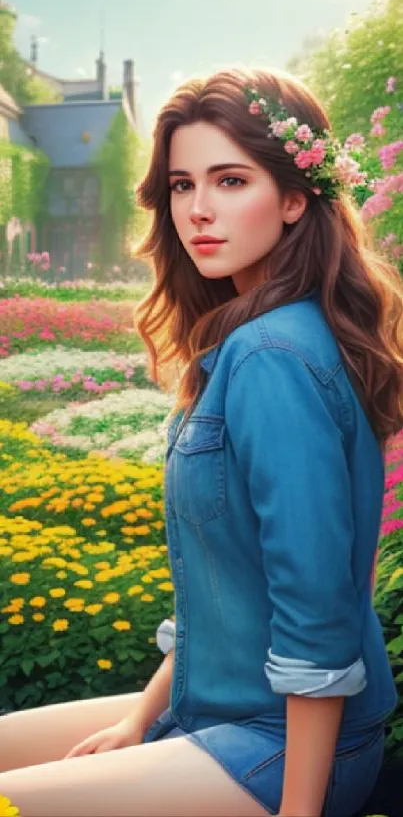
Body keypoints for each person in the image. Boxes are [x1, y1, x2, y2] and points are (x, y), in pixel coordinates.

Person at [1, 66, 403, 817]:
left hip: (284, 744)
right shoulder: (245, 341)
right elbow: (220, 591)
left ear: (292, 198)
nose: (198, 210)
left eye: (228, 180)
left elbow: (313, 613)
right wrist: (137, 721)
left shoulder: (272, 357)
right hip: (214, 705)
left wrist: (297, 812)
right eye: (182, 185)